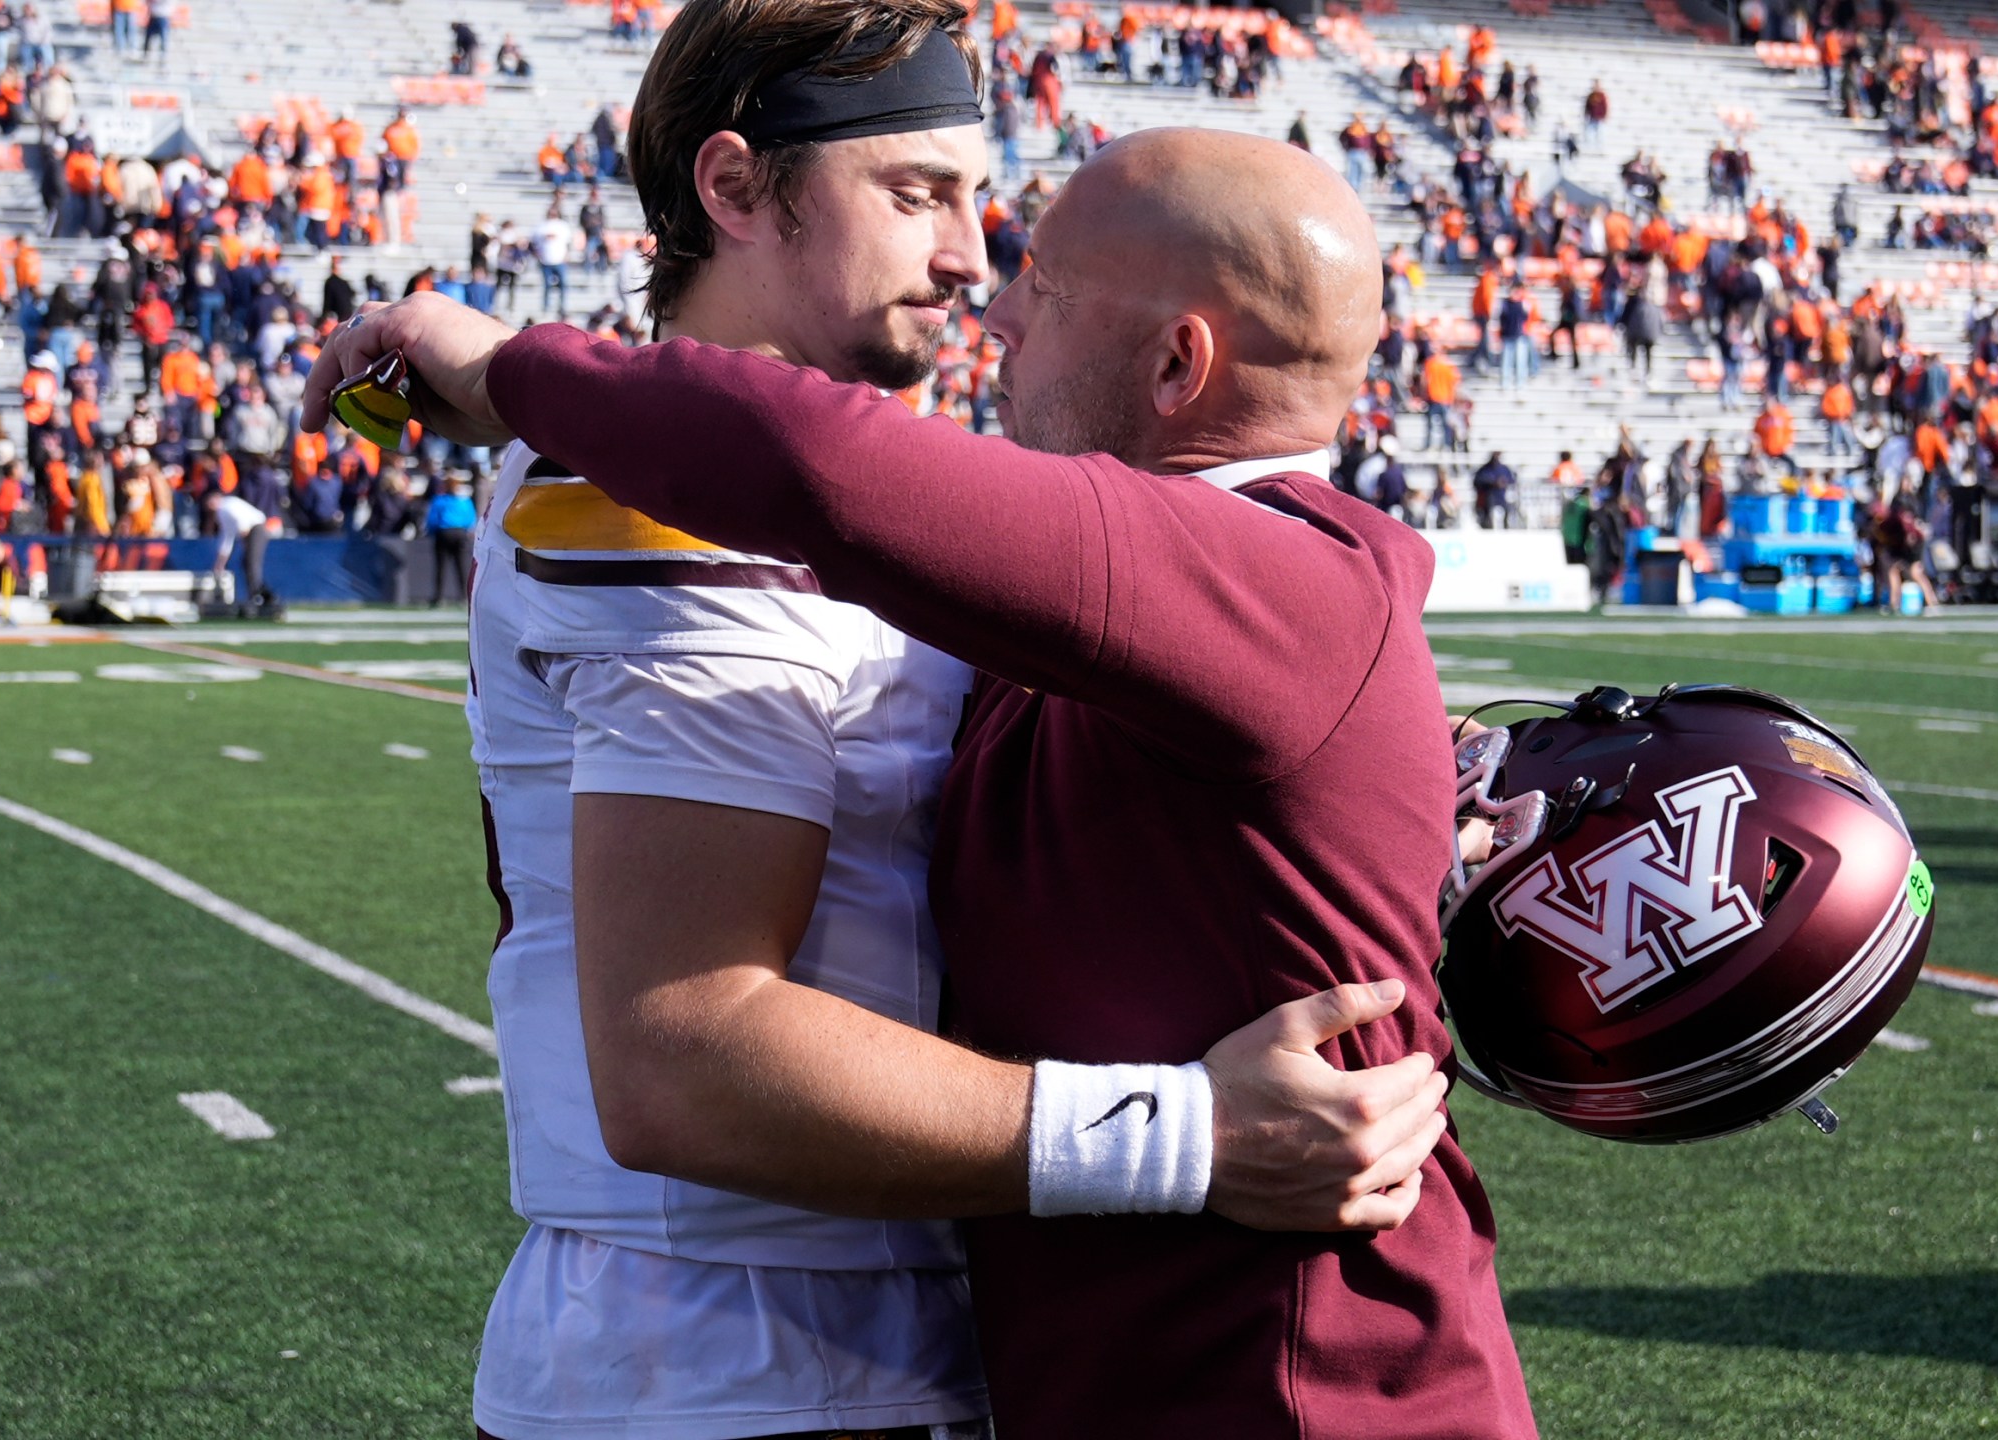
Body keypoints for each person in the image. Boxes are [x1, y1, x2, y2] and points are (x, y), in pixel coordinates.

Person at [308, 11, 1454, 1440]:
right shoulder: (664, 514)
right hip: (736, 1366)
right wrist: (1188, 1135)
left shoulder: (938, 513)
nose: (972, 269)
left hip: (899, 1337)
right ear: (733, 190)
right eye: (917, 195)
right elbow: (683, 1062)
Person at [421, 471, 472, 606]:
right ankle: (464, 597)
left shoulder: (439, 500)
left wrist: (430, 531)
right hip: (460, 533)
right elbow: (470, 518)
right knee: (461, 566)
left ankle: (438, 597)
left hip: (443, 533)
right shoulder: (464, 501)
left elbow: (432, 519)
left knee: (440, 566)